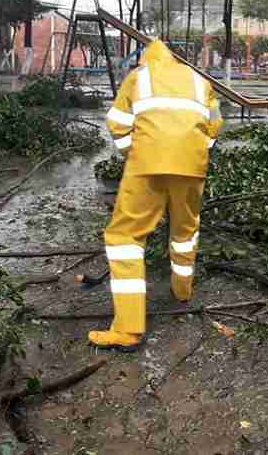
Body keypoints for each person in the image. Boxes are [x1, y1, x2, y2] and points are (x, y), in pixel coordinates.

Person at [89, 39, 222, 351]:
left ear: (147, 61)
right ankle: (182, 290)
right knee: (185, 229)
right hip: (192, 166)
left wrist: (133, 154)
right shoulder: (198, 80)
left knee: (125, 238)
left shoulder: (138, 77)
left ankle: (128, 329)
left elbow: (117, 124)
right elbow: (214, 126)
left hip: (147, 165)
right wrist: (197, 153)